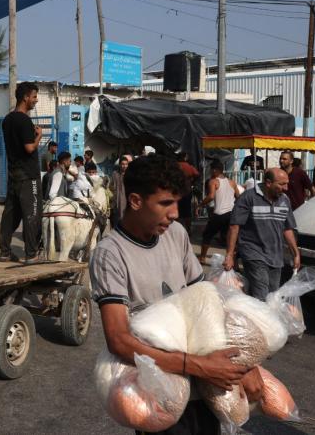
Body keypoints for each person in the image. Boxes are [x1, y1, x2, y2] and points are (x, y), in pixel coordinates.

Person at [90, 154, 259, 435]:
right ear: (135, 201)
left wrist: (246, 364)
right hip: (161, 397)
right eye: (165, 203)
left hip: (205, 387)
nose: (174, 213)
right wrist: (199, 366)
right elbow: (119, 340)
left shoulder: (176, 235)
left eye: (177, 202)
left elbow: (205, 302)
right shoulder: (110, 254)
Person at [224, 168, 300, 301]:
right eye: (282, 184)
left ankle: (256, 318)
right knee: (262, 295)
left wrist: (295, 253)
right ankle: (261, 320)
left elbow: (287, 229)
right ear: (268, 183)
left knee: (272, 296)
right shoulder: (248, 197)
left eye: (287, 184)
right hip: (253, 253)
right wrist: (230, 254)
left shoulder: (284, 200)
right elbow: (234, 226)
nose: (286, 188)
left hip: (276, 256)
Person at [0, 82, 43, 264]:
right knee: (32, 214)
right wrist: (39, 135)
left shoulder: (7, 120)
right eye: (34, 97)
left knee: (10, 213)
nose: (36, 100)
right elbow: (29, 147)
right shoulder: (24, 120)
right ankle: (32, 254)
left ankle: (5, 252)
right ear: (25, 97)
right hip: (28, 175)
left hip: (13, 174)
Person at [198, 161, 239, 264]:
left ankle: (202, 257)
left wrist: (200, 205)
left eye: (211, 170)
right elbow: (238, 197)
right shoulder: (232, 182)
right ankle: (233, 262)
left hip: (219, 214)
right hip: (231, 214)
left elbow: (211, 196)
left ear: (215, 170)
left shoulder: (213, 181)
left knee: (207, 235)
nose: (210, 172)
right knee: (230, 238)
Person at [176, 152, 200, 233]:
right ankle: (188, 230)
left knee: (177, 210)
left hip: (176, 191)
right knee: (187, 212)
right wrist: (192, 181)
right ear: (185, 157)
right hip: (187, 191)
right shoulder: (189, 167)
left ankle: (177, 230)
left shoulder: (175, 166)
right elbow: (197, 174)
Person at [110, 155, 129, 227]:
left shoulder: (129, 174)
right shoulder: (115, 174)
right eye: (123, 164)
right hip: (116, 198)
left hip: (125, 198)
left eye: (126, 164)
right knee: (116, 217)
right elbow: (111, 185)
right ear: (120, 165)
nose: (124, 166)